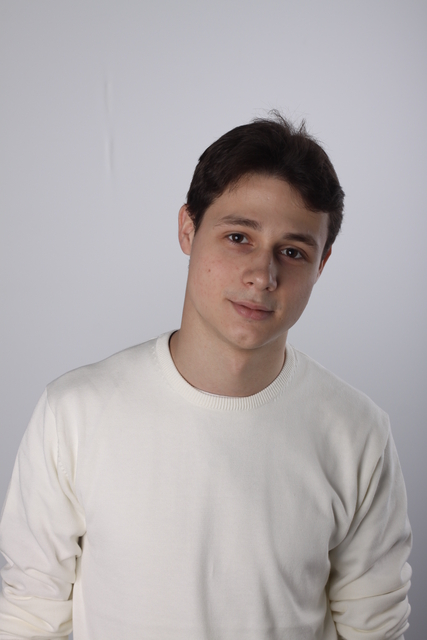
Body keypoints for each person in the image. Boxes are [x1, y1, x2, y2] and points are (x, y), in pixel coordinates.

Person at [0, 114, 412, 639]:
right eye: (239, 237)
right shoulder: (74, 412)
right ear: (187, 229)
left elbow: (374, 629)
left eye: (293, 251)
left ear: (322, 263)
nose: (262, 275)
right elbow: (31, 618)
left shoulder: (358, 433)